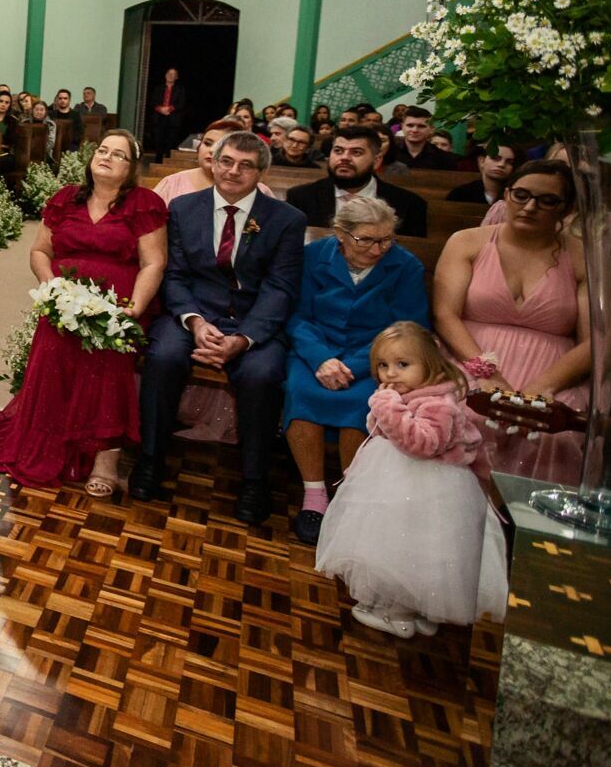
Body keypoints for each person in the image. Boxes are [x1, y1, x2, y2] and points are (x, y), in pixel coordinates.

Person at [0, 130, 167, 494]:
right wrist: (52, 289)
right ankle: (49, 442)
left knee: (108, 362)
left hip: (117, 305)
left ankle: (105, 457)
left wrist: (133, 309)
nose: (106, 157)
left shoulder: (143, 203)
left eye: (118, 154)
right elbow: (40, 251)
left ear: (132, 166)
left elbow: (153, 262)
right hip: (63, 302)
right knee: (54, 355)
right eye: (102, 150)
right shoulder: (65, 199)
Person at [132, 131, 306, 524]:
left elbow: (281, 288)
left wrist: (243, 338)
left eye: (245, 165)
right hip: (194, 315)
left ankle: (255, 480)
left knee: (262, 375)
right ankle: (149, 460)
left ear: (261, 172)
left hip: (252, 322)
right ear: (212, 161)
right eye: (226, 161)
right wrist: (194, 322)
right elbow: (174, 275)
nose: (232, 171)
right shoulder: (183, 208)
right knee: (163, 356)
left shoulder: (286, 220)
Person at [313, 323, 508, 638]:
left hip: (421, 484)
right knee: (395, 542)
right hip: (399, 474)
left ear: (430, 364)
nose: (390, 374)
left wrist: (385, 406)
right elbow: (379, 428)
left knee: (406, 547)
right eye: (383, 365)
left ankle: (399, 612)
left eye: (403, 365)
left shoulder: (438, 403)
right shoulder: (414, 393)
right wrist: (384, 407)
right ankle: (414, 611)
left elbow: (421, 444)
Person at [281, 197, 429, 545]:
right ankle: (314, 495)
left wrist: (362, 364)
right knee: (300, 392)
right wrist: (320, 358)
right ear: (341, 235)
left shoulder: (405, 266)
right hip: (316, 351)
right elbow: (297, 315)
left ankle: (350, 495)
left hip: (377, 359)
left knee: (364, 404)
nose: (378, 249)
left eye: (386, 239)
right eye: (367, 240)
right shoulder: (315, 256)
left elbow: (409, 326)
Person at [433, 159, 591, 482]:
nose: (530, 207)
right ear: (506, 195)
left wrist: (539, 389)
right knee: (462, 413)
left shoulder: (583, 257)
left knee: (553, 432)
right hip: (470, 356)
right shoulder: (467, 242)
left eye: (547, 201)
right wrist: (486, 374)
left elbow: (596, 341)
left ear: (567, 208)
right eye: (521, 195)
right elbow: (445, 315)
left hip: (552, 371)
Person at [283, 125, 430, 237]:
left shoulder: (410, 205)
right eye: (338, 151)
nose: (345, 158)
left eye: (356, 152)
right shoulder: (300, 197)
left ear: (377, 160)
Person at [152, 119, 274, 204]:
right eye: (207, 143)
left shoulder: (260, 191)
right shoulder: (172, 183)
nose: (212, 150)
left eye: (220, 145)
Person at [388, 107, 460, 172]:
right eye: (410, 125)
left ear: (431, 129)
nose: (415, 130)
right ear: (402, 127)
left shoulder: (445, 159)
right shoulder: (388, 154)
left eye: (421, 126)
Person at [448, 144, 518, 204]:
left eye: (509, 162)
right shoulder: (460, 194)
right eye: (495, 158)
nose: (501, 164)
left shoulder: (515, 197)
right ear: (482, 161)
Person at [149, 67, 187, 161]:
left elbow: (181, 103)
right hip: (159, 118)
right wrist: (160, 109)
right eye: (169, 73)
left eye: (173, 74)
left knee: (171, 140)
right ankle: (158, 160)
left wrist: (169, 109)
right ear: (165, 75)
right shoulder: (158, 88)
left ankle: (168, 161)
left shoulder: (180, 89)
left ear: (176, 77)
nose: (170, 76)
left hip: (173, 118)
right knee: (158, 139)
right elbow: (153, 102)